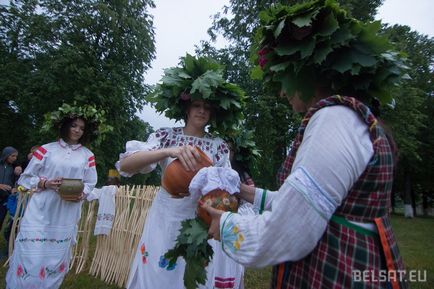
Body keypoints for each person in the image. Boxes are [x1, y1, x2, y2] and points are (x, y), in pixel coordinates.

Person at [202, 1, 408, 289]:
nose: (281, 91)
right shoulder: (351, 119)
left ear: (307, 71)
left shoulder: (334, 120)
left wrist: (223, 224)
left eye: (282, 77)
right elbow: (307, 204)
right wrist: (245, 192)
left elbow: (288, 231)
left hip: (338, 273)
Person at [117, 54, 246, 289]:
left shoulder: (219, 146)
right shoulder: (166, 136)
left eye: (207, 107)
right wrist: (168, 152)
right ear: (187, 108)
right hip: (165, 216)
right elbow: (126, 165)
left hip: (199, 220)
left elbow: (226, 192)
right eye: (197, 105)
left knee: (191, 278)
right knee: (159, 272)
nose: (202, 111)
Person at [5, 103, 110, 289]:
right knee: (32, 252)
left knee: (54, 256)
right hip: (42, 205)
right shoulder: (47, 149)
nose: (77, 130)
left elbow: (90, 182)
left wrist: (82, 194)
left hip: (67, 209)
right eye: (73, 125)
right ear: (65, 126)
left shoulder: (88, 155)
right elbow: (25, 178)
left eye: (81, 128)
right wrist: (45, 183)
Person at [0, 146, 20, 232]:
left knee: (0, 220)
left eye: (16, 156)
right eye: (13, 156)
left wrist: (13, 189)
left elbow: (13, 182)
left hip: (5, 198)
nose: (15, 158)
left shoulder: (13, 167)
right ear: (6, 155)